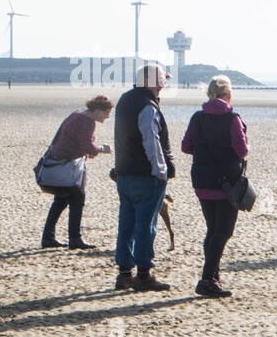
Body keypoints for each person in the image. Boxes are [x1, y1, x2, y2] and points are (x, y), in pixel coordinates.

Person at [181, 75, 249, 297]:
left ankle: (213, 276)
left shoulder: (197, 117)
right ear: (228, 95)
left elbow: (186, 146)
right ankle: (207, 278)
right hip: (226, 182)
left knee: (213, 230)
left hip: (202, 179)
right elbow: (242, 151)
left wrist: (203, 153)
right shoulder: (232, 118)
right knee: (223, 231)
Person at [112, 63, 175, 291]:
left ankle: (124, 273)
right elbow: (151, 140)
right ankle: (144, 274)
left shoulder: (124, 101)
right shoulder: (147, 106)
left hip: (124, 173)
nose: (164, 85)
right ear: (156, 83)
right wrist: (160, 170)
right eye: (162, 81)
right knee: (146, 226)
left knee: (126, 223)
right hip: (145, 176)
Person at [40, 95, 113, 249]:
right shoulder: (87, 121)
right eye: (107, 112)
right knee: (77, 198)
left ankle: (48, 238)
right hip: (66, 164)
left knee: (61, 200)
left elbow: (70, 139)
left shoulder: (78, 113)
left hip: (58, 160)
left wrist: (88, 151)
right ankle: (75, 239)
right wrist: (102, 149)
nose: (108, 116)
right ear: (99, 110)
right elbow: (87, 145)